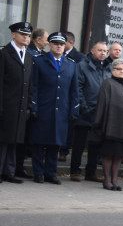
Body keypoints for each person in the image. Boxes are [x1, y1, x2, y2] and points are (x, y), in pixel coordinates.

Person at [28, 32, 78, 184]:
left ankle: (50, 172)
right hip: (43, 107)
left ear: (65, 46)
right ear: (49, 44)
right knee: (39, 142)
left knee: (55, 143)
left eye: (61, 44)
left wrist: (74, 109)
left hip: (61, 109)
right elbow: (34, 86)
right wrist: (34, 106)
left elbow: (74, 90)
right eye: (55, 43)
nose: (58, 46)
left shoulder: (71, 64)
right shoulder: (39, 61)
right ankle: (38, 172)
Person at [91, 58, 123, 190]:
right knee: (108, 154)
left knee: (119, 155)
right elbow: (102, 104)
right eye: (119, 69)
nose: (122, 72)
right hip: (111, 126)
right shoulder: (108, 83)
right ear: (113, 70)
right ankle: (107, 180)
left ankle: (115, 179)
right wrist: (98, 124)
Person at [70, 41, 109, 182]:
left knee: (95, 144)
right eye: (100, 50)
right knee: (79, 144)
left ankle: (90, 172)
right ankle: (75, 170)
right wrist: (84, 106)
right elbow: (78, 87)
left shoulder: (107, 67)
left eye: (105, 51)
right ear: (92, 51)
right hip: (85, 110)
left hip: (100, 112)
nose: (103, 53)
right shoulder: (82, 65)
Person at [0, 21, 34, 184]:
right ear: (13, 35)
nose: (26, 38)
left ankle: (9, 171)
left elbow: (29, 84)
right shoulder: (4, 54)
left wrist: (28, 105)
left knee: (14, 140)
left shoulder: (28, 56)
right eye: (22, 34)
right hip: (7, 105)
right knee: (3, 140)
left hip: (20, 106)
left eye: (27, 35)